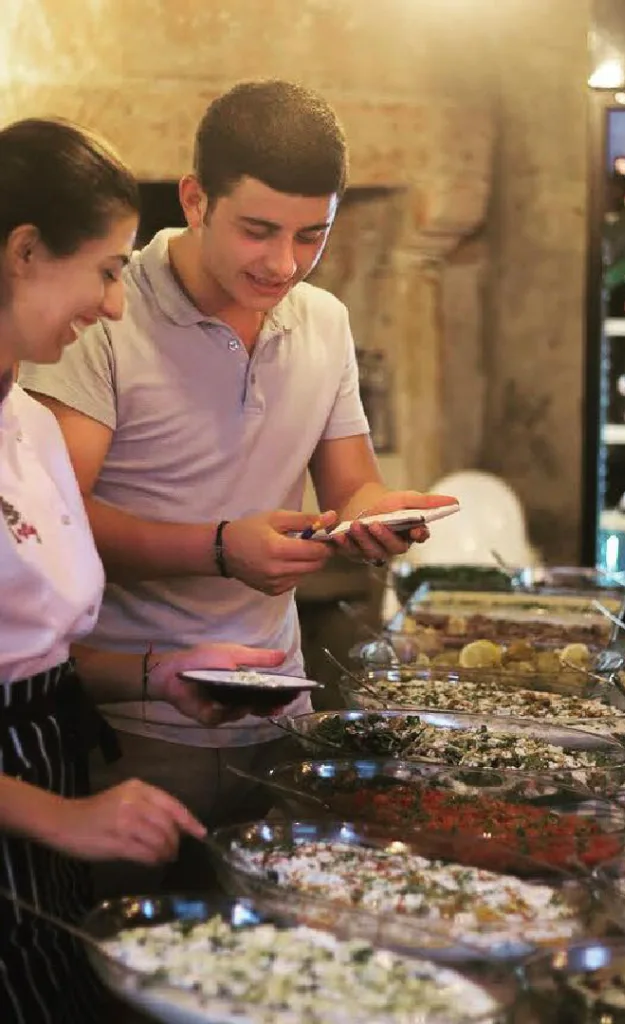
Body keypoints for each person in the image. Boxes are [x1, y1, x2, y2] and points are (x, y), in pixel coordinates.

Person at [19, 80, 455, 893]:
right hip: (135, 717)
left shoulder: (322, 319)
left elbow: (352, 484)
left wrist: (372, 520)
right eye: (258, 231)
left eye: (310, 236)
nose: (284, 263)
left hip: (276, 700)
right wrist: (222, 549)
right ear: (194, 199)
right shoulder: (101, 311)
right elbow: (54, 524)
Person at [0, 117, 289, 1024]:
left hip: (43, 801)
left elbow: (27, 660)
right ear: (24, 250)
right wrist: (63, 820)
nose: (116, 304)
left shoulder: (30, 424)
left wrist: (162, 676)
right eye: (107, 268)